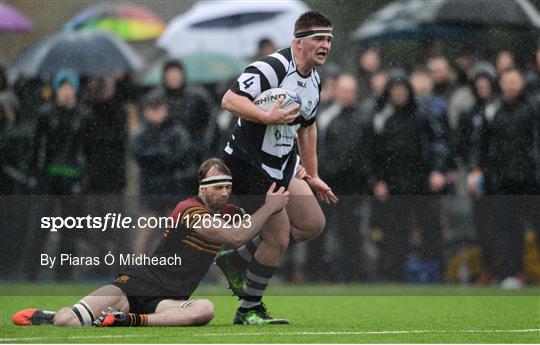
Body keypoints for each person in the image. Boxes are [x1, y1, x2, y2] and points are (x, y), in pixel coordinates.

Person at [12, 158, 290, 327]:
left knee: (206, 309)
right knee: (67, 321)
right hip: (136, 284)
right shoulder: (189, 209)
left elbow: (265, 232)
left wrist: (293, 179)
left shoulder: (229, 213)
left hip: (168, 301)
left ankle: (130, 321)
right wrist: (268, 208)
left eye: (228, 186)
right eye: (217, 186)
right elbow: (236, 237)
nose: (224, 192)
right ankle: (48, 316)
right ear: (201, 188)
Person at [217, 11, 338, 325]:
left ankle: (238, 259)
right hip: (248, 163)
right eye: (318, 39)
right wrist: (266, 116)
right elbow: (229, 100)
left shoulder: (314, 79)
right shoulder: (271, 67)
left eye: (328, 39)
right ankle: (249, 310)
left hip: (282, 163)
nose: (325, 45)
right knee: (279, 237)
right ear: (298, 43)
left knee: (312, 223)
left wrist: (311, 174)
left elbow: (308, 128)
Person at [23, 69, 90, 281]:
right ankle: (30, 273)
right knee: (41, 226)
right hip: (49, 179)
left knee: (69, 229)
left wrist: (83, 177)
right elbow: (37, 148)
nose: (66, 92)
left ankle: (64, 274)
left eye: (69, 87)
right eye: (62, 87)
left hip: (72, 180)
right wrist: (34, 173)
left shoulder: (84, 115)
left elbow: (88, 152)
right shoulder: (46, 114)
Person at [131, 91, 196, 255]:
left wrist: (159, 157)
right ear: (145, 111)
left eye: (158, 108)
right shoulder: (141, 133)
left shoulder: (176, 130)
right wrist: (164, 156)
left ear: (165, 109)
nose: (155, 113)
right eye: (151, 109)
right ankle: (134, 270)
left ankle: (171, 269)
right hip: (150, 190)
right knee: (146, 232)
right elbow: (140, 156)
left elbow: (182, 155)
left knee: (172, 233)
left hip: (172, 189)